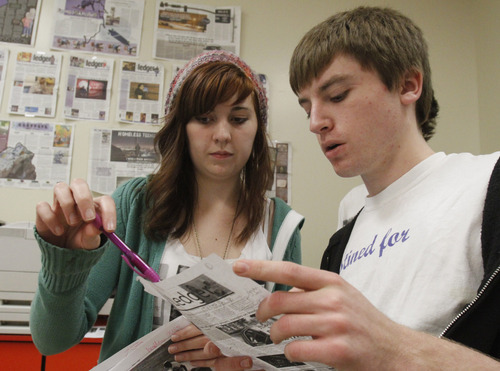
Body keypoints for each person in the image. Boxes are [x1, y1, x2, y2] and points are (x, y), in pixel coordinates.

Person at [203, 6, 500, 370]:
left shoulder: (487, 184)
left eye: (338, 95)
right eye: (306, 106)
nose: (315, 123)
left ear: (408, 85)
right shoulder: (342, 239)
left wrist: (393, 349)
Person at [30, 50, 304, 365]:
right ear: (180, 126)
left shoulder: (281, 226)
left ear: (257, 129)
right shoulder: (133, 206)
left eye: (239, 119)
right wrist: (64, 261)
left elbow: (290, 352)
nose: (223, 135)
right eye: (204, 118)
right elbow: (51, 341)